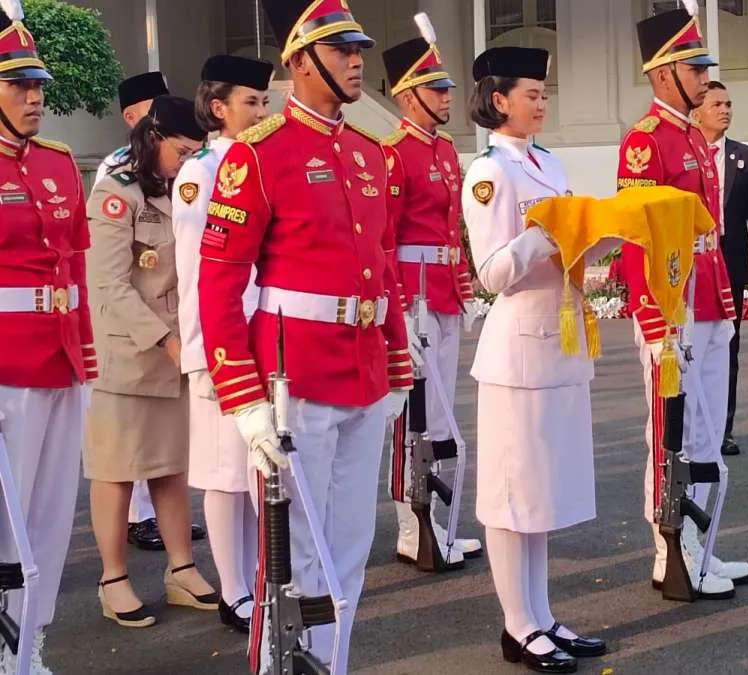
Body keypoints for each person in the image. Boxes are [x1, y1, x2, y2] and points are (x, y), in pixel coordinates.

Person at [197, 1, 414, 671]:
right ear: (300, 60)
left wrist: (397, 361)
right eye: (341, 49)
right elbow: (218, 282)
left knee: (348, 549)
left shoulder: (370, 152)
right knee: (291, 557)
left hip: (363, 371)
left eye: (358, 49)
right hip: (295, 380)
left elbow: (383, 266)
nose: (356, 61)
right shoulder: (258, 154)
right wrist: (242, 395)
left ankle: (330, 664)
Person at [463, 45, 607, 672]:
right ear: (499, 100)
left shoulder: (550, 162)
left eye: (544, 94)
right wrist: (542, 235)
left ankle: (542, 616)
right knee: (511, 495)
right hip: (517, 353)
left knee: (541, 495)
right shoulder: (489, 172)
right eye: (531, 94)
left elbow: (567, 248)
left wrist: (594, 238)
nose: (541, 103)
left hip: (560, 341)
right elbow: (492, 273)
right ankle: (516, 624)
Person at [617, 3, 748, 598]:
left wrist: (721, 302)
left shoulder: (694, 137)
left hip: (707, 299)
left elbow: (709, 232)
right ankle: (671, 547)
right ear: (662, 72)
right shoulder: (645, 144)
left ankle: (700, 541)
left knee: (704, 434)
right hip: (673, 306)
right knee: (670, 434)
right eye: (694, 68)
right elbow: (636, 236)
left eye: (703, 68)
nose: (704, 78)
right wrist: (653, 315)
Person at [86, 94, 216, 629]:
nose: (187, 162)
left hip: (177, 351)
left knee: (172, 466)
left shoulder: (180, 190)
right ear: (154, 137)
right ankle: (113, 578)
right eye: (181, 152)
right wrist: (167, 341)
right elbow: (109, 284)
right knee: (116, 471)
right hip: (132, 352)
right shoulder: (117, 193)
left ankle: (181, 568)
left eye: (193, 154)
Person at [0, 4, 96, 670]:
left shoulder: (59, 163)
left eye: (38, 86)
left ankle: (30, 641)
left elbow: (77, 267)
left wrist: (86, 355)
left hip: (60, 357)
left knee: (52, 516)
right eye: (19, 85)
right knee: (5, 522)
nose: (35, 97)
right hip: (8, 363)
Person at [173, 54, 274, 634]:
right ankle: (234, 590)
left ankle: (261, 581)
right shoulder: (203, 171)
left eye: (264, 101)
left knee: (258, 469)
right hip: (220, 341)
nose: (261, 112)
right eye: (249, 102)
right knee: (223, 472)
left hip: (262, 332)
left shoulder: (261, 161)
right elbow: (197, 274)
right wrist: (205, 353)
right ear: (218, 108)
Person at [381, 13, 482, 572]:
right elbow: (385, 237)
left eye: (446, 88)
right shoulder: (394, 152)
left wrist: (461, 285)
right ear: (407, 95)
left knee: (440, 413)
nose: (447, 97)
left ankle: (435, 521)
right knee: (412, 413)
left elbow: (450, 229)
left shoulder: (444, 151)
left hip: (440, 291)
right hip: (412, 294)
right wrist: (398, 308)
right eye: (436, 89)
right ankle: (410, 524)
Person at [692, 80, 748, 456]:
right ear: (697, 112)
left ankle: (722, 428)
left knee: (727, 346)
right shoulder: (685, 154)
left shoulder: (745, 157)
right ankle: (690, 425)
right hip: (693, 264)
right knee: (692, 346)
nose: (725, 110)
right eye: (717, 104)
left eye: (728, 104)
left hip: (730, 263)